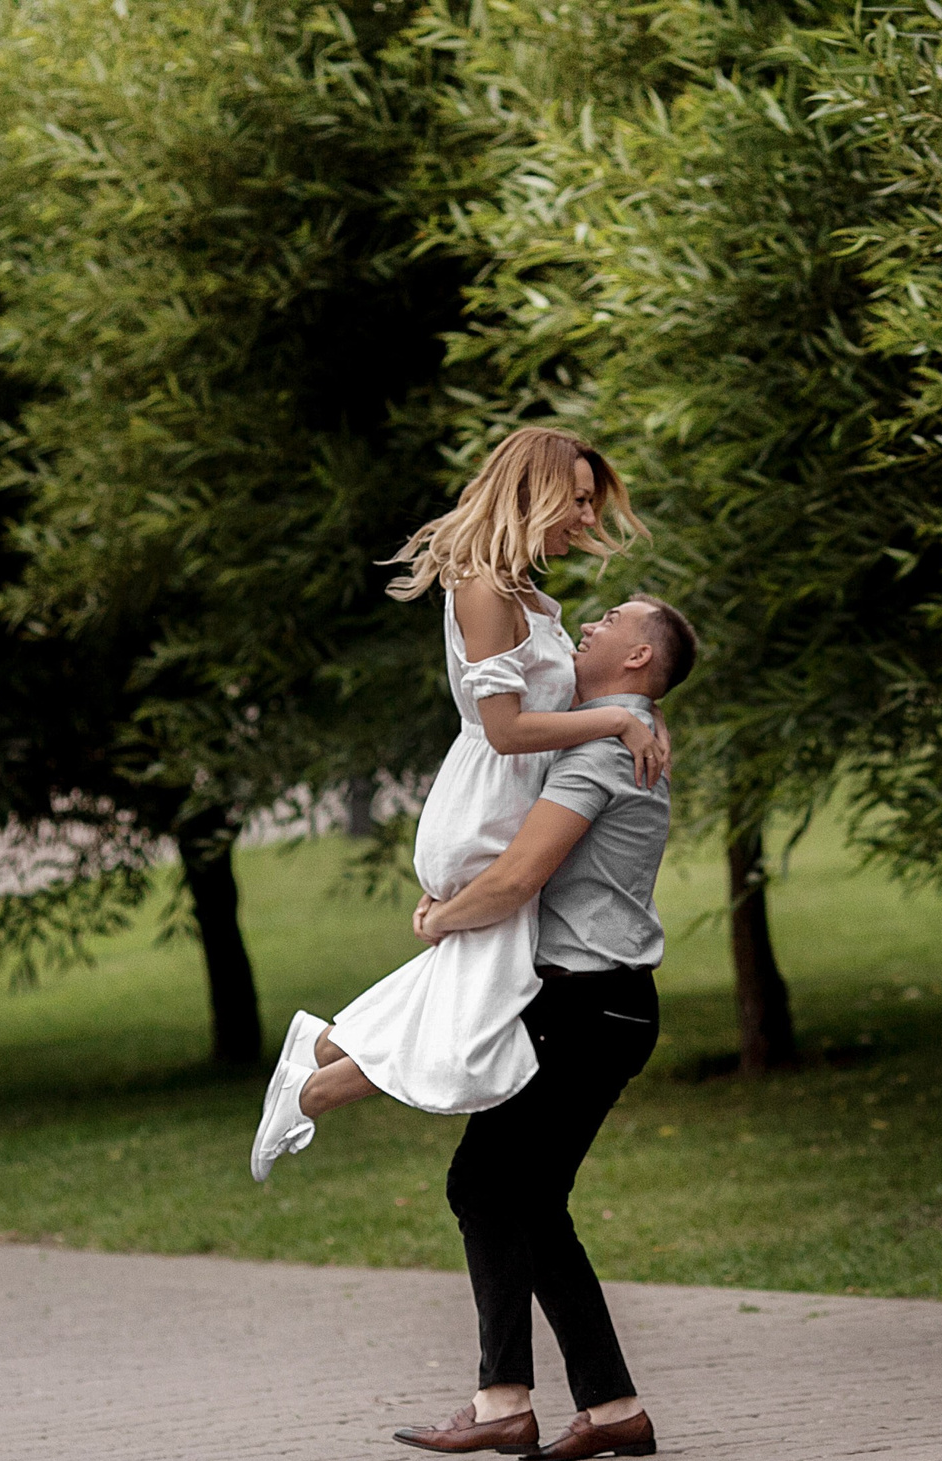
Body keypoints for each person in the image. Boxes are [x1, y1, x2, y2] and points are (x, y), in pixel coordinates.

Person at [250, 427, 664, 1178]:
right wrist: (616, 717)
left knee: (477, 982)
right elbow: (505, 730)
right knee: (481, 1007)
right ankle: (309, 1088)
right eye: (574, 501)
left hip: (510, 799)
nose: (583, 519)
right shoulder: (482, 587)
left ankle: (315, 1058)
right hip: (488, 796)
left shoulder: (532, 596)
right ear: (533, 492)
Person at [385, 591, 696, 1461]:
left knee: (486, 1186)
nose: (591, 623)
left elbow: (521, 875)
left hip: (588, 1006)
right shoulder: (607, 729)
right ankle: (610, 1406)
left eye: (613, 623)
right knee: (524, 1199)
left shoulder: (604, 747)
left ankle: (504, 1399)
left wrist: (441, 917)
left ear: (639, 659)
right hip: (599, 1004)